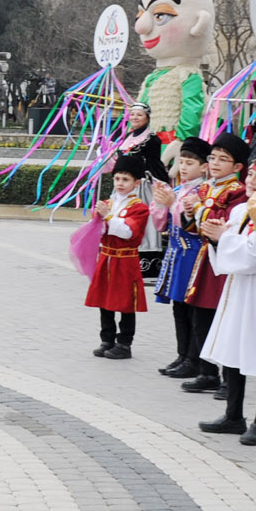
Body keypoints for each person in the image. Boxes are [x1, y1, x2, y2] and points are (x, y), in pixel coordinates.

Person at [199, 150, 256, 444]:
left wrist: (222, 239)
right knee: (233, 350)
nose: (254, 180)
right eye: (251, 174)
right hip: (237, 286)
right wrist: (217, 240)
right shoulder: (240, 212)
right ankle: (233, 414)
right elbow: (230, 253)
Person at [181, 134, 249, 394]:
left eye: (223, 159)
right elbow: (195, 226)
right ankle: (206, 371)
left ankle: (228, 378)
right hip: (206, 261)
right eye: (212, 158)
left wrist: (199, 210)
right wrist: (190, 213)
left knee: (224, 319)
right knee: (201, 318)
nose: (215, 163)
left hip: (224, 262)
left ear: (237, 167)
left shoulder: (238, 192)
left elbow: (225, 222)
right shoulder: (206, 188)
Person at [151, 138, 214, 382]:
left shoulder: (202, 192)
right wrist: (160, 205)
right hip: (177, 255)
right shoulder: (178, 190)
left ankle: (194, 358)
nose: (184, 167)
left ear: (203, 167)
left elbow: (191, 225)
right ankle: (182, 354)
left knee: (191, 308)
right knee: (179, 307)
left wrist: (172, 205)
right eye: (182, 162)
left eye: (190, 163)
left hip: (193, 255)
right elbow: (160, 225)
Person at [87, 152, 152, 358]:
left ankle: (124, 343)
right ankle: (107, 338)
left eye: (126, 179)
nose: (120, 183)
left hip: (125, 259)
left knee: (125, 303)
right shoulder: (108, 202)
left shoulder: (139, 207)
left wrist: (108, 217)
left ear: (136, 182)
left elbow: (127, 232)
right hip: (106, 256)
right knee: (104, 299)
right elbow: (99, 232)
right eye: (117, 178)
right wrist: (98, 219)